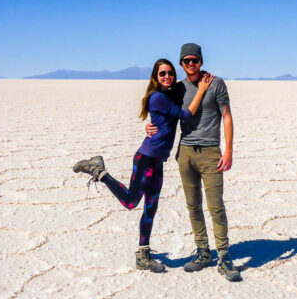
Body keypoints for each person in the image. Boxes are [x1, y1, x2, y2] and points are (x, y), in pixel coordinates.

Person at [72, 58, 213, 273]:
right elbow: (184, 115)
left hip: (157, 161)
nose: (167, 77)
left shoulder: (168, 94)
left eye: (170, 73)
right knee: (131, 202)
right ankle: (98, 171)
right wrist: (202, 89)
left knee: (151, 207)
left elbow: (176, 103)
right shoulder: (157, 97)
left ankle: (143, 254)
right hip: (146, 158)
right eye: (162, 74)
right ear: (155, 78)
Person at [146, 43, 240, 282]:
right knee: (193, 205)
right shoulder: (177, 89)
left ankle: (224, 256)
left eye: (194, 60)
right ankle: (202, 252)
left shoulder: (216, 83)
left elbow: (227, 116)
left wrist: (228, 150)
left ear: (201, 61)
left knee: (216, 206)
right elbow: (162, 112)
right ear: (181, 64)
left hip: (210, 153)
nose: (191, 64)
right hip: (185, 153)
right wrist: (149, 127)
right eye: (186, 60)